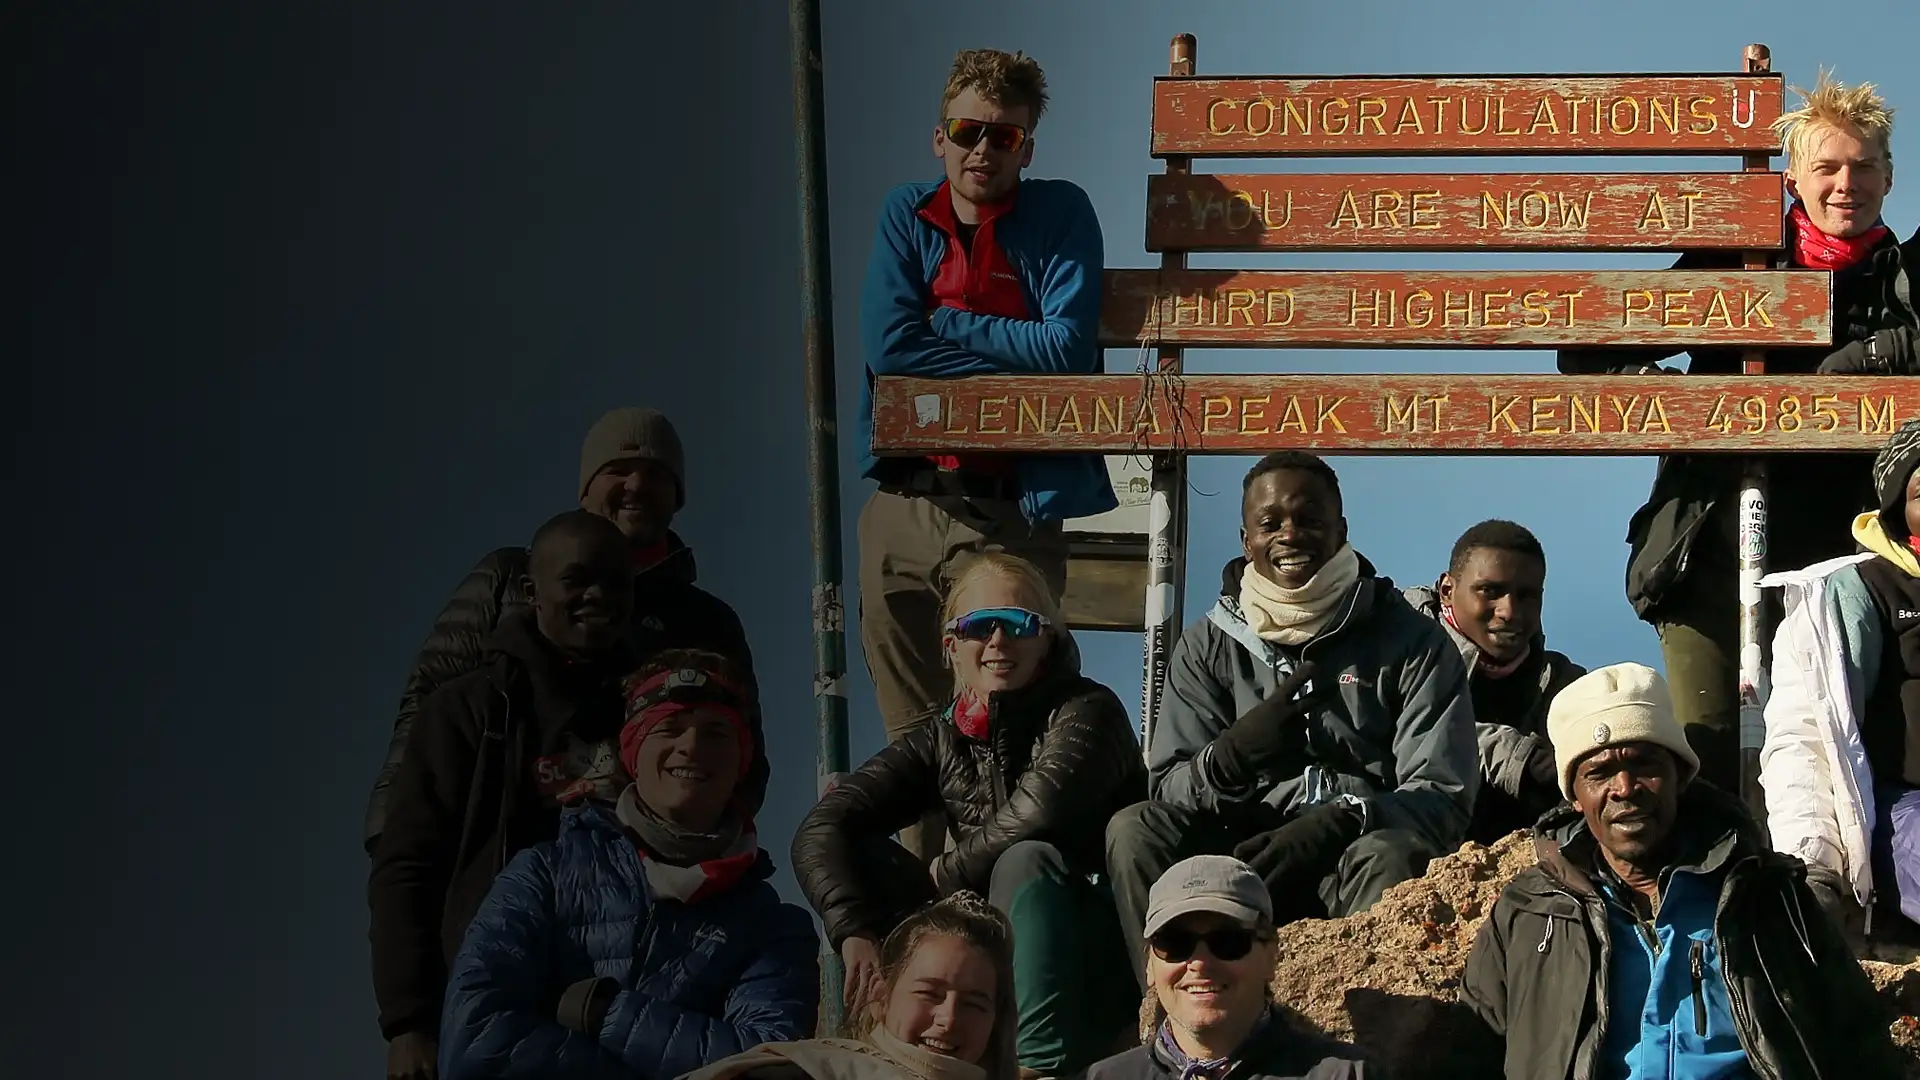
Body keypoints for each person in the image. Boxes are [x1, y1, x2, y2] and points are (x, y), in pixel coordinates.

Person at [1557, 72, 1920, 792]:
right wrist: (1672, 398)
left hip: (1849, 570)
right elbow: (1585, 345)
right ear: (1792, 178)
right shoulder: (1735, 263)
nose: (1846, 183)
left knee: (1833, 767)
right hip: (1712, 552)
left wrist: (1864, 361)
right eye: (1826, 167)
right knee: (1712, 765)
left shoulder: (1903, 280)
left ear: (1888, 176)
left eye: (1863, 166)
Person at [856, 47, 1117, 862]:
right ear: (939, 137)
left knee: (1002, 721)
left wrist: (948, 324)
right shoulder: (907, 212)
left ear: (1026, 149)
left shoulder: (1061, 211)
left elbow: (1068, 349)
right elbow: (888, 347)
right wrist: (1008, 360)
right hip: (902, 504)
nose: (983, 150)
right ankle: (917, 922)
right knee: (913, 733)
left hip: (1010, 508)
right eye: (968, 131)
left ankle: (993, 904)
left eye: (1003, 137)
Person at [1106, 452, 1477, 982]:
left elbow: (1442, 793)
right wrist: (1230, 759)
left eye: (1309, 520)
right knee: (1135, 828)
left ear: (1341, 530)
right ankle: (1163, 1011)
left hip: (1353, 851)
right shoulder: (1206, 645)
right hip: (1240, 849)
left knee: (1394, 855)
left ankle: (1370, 1036)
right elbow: (1168, 786)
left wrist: (1348, 817)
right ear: (1245, 539)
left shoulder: (1412, 641)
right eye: (1270, 523)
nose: (1290, 535)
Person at [793, 553, 1145, 1079]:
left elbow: (1038, 815)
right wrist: (853, 929)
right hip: (988, 956)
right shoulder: (944, 738)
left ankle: (1032, 1066)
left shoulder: (1087, 709)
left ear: (1047, 638)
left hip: (1089, 956)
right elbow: (824, 826)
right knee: (862, 850)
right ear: (951, 647)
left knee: (1025, 860)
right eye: (981, 626)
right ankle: (898, 1034)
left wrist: (941, 877)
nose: (999, 642)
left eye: (1020, 624)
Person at [1458, 662, 1902, 1079]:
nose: (1624, 789)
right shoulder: (1531, 910)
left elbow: (1859, 1046)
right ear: (1574, 795)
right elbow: (1471, 1054)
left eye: (1645, 765)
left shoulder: (1766, 897)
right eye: (1599, 773)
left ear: (1681, 774)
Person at [365, 406, 761, 856]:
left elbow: (745, 752)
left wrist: (706, 849)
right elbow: (430, 696)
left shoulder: (708, 620)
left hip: (646, 868)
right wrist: (393, 824)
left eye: (655, 472)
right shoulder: (508, 575)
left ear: (677, 494)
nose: (636, 485)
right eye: (618, 470)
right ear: (586, 490)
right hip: (495, 844)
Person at [437, 648, 819, 1080]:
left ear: (741, 761)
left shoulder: (774, 928)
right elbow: (476, 1045)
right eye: (669, 728)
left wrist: (605, 1014)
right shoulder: (543, 874)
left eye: (716, 732)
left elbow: (762, 1067)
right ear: (633, 752)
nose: (691, 746)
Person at [369, 509, 637, 1080]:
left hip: (611, 1015)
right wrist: (408, 1022)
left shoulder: (647, 716)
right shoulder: (466, 712)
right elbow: (407, 867)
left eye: (617, 583)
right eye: (577, 579)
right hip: (484, 1014)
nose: (598, 596)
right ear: (529, 591)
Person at [1762, 417, 1920, 950]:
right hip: (1909, 809)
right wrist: (1814, 865)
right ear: (1900, 511)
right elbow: (1807, 736)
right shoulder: (1855, 593)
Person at [1087, 855, 1373, 1080]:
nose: (1199, 963)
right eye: (1175, 943)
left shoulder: (1348, 1075)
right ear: (1149, 963)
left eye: (1228, 941)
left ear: (1271, 955)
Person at [682, 892, 1022, 1080]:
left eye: (974, 1004)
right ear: (880, 996)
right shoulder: (811, 1075)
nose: (949, 1018)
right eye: (929, 993)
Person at [1404, 521, 1586, 844]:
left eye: (1527, 595)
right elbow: (1413, 732)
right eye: (1490, 591)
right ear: (1447, 590)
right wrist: (1519, 757)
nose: (1509, 611)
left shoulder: (1560, 683)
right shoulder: (1396, 647)